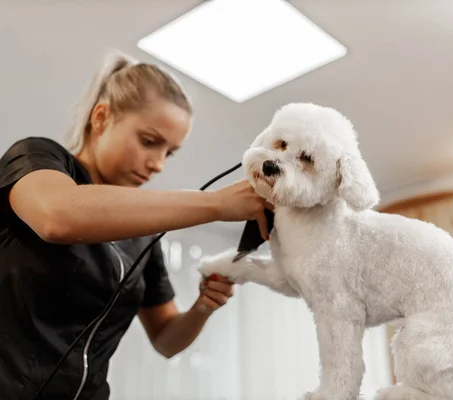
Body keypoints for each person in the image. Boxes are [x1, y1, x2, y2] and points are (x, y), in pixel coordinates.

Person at [0, 50, 272, 400]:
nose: (157, 164)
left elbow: (166, 340)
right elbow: (56, 216)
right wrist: (216, 204)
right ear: (101, 118)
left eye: (169, 152)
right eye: (149, 142)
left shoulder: (142, 237)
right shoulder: (39, 158)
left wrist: (204, 305)